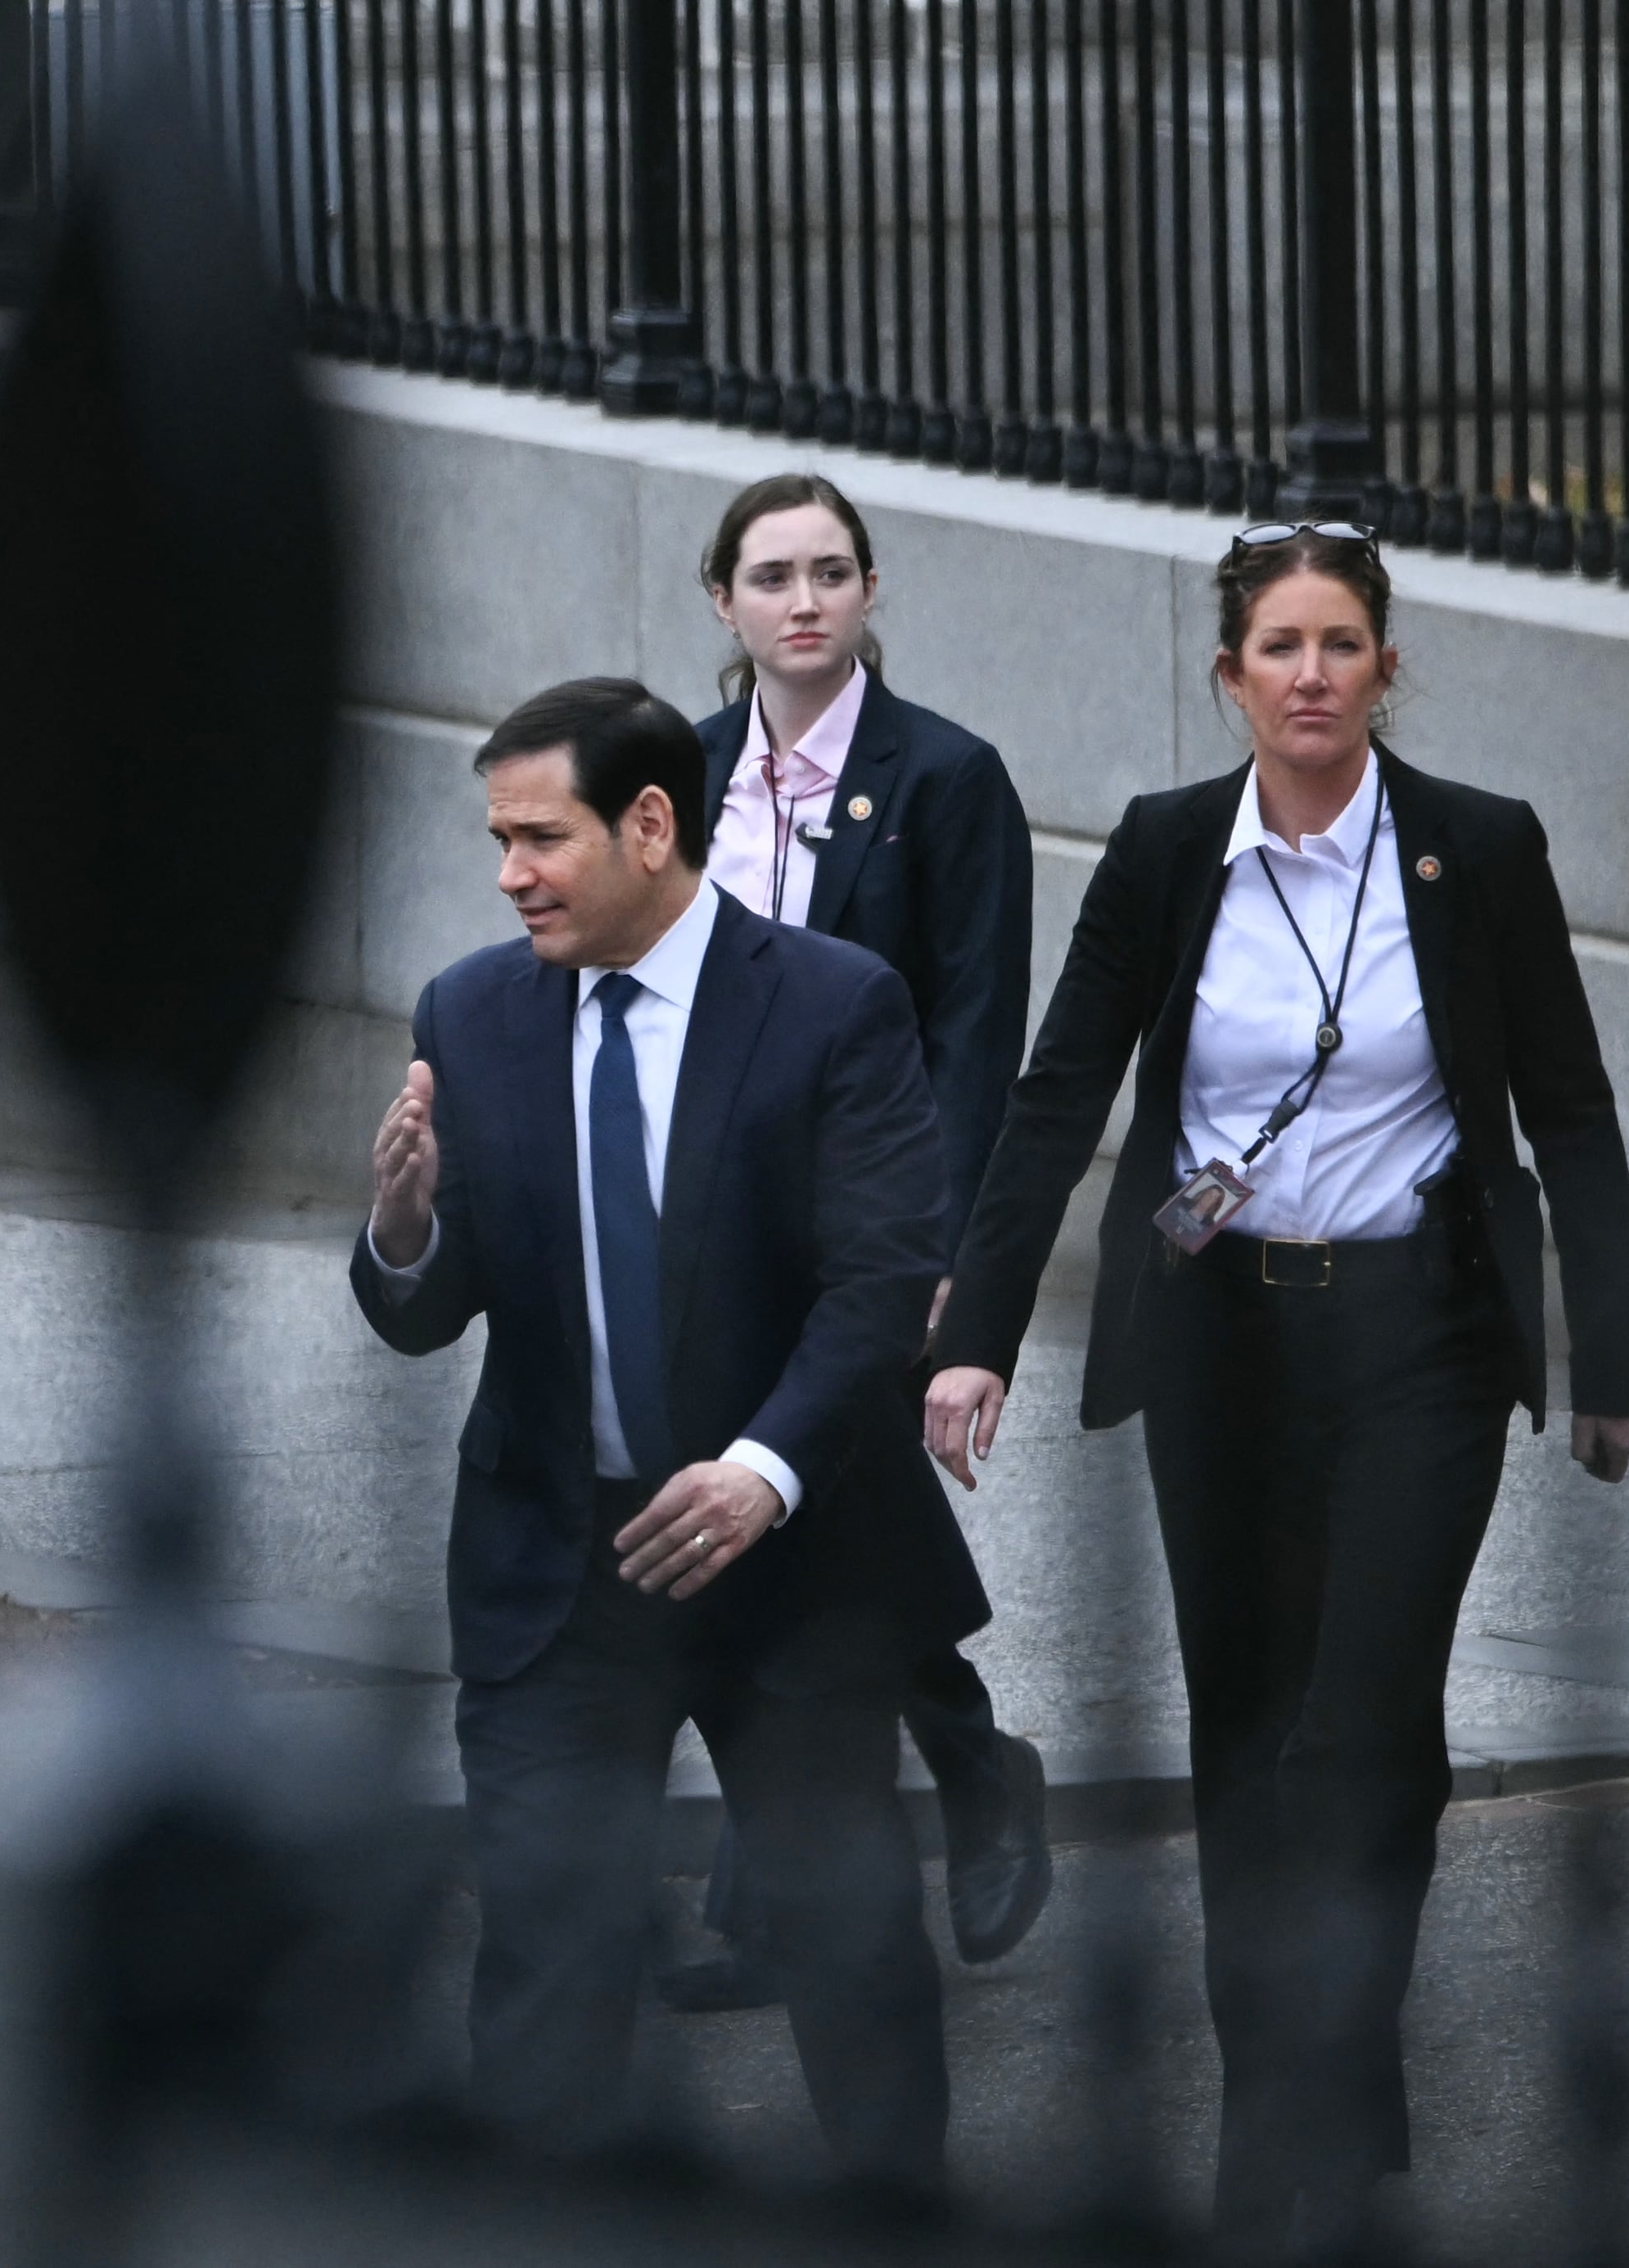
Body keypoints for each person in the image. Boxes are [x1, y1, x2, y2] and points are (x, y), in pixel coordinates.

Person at [923, 523, 1629, 2259]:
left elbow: (1569, 1104)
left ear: (1387, 668)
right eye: (1281, 646)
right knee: (1251, 1735)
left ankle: (1314, 2108)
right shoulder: (1173, 853)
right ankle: (1298, 2113)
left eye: (1342, 644)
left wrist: (1611, 1362)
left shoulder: (1476, 850)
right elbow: (1056, 1097)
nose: (1313, 673)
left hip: (1420, 1337)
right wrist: (978, 1326)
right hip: (1222, 1344)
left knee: (1358, 1725)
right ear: (1229, 676)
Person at [350, 677, 984, 2190]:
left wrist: (763, 1472)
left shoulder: (831, 1002)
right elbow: (429, 1311)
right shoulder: (472, 1009)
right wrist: (403, 1222)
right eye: (496, 839)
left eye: (538, 837)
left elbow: (882, 1276)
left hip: (790, 1568)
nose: (509, 873)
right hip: (557, 1570)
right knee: (550, 1964)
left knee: (852, 1955)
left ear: (650, 825)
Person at [665, 472, 1049, 2012]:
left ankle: (845, 1853)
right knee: (763, 1530)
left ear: (872, 592)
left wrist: (946, 1252)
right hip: (704, 1224)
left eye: (832, 571)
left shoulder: (947, 778)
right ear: (724, 602)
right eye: (772, 575)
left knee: (813, 1509)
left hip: (870, 1230)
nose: (804, 600)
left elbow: (976, 1036)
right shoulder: (678, 773)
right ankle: (949, 1772)